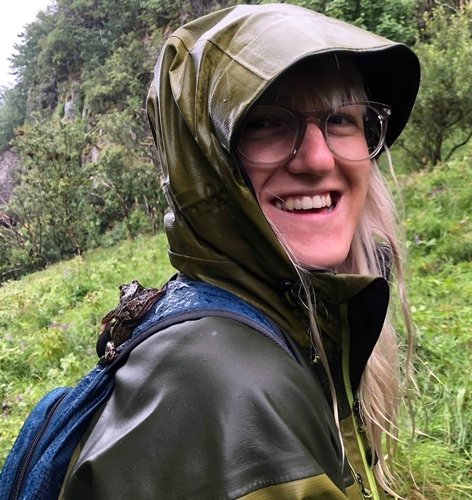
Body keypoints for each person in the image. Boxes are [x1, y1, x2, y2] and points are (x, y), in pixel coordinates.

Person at [62, 3, 420, 499]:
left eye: (341, 119)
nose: (319, 159)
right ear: (207, 166)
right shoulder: (224, 389)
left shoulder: (280, 319)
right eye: (266, 123)